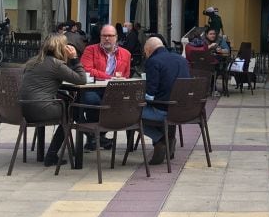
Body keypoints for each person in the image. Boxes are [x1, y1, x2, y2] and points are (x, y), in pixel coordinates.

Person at [18, 32, 86, 166]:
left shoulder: (33, 61)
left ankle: (86, 140)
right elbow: (81, 79)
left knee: (68, 107)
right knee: (73, 111)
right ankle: (52, 155)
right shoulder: (56, 65)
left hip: (23, 109)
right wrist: (75, 59)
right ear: (61, 48)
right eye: (65, 45)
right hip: (40, 110)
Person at [78, 25, 132, 151]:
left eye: (110, 36)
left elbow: (126, 75)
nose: (107, 38)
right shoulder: (90, 50)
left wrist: (116, 80)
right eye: (104, 36)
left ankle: (95, 137)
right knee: (93, 101)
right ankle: (97, 137)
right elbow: (85, 69)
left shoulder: (126, 54)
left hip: (114, 91)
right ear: (100, 37)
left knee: (121, 104)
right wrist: (108, 77)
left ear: (116, 37)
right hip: (92, 88)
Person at [140, 36, 190, 165]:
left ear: (148, 49)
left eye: (145, 52)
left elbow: (150, 93)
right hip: (183, 109)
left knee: (130, 114)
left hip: (164, 110)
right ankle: (169, 139)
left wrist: (139, 99)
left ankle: (161, 140)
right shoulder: (181, 60)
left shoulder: (153, 61)